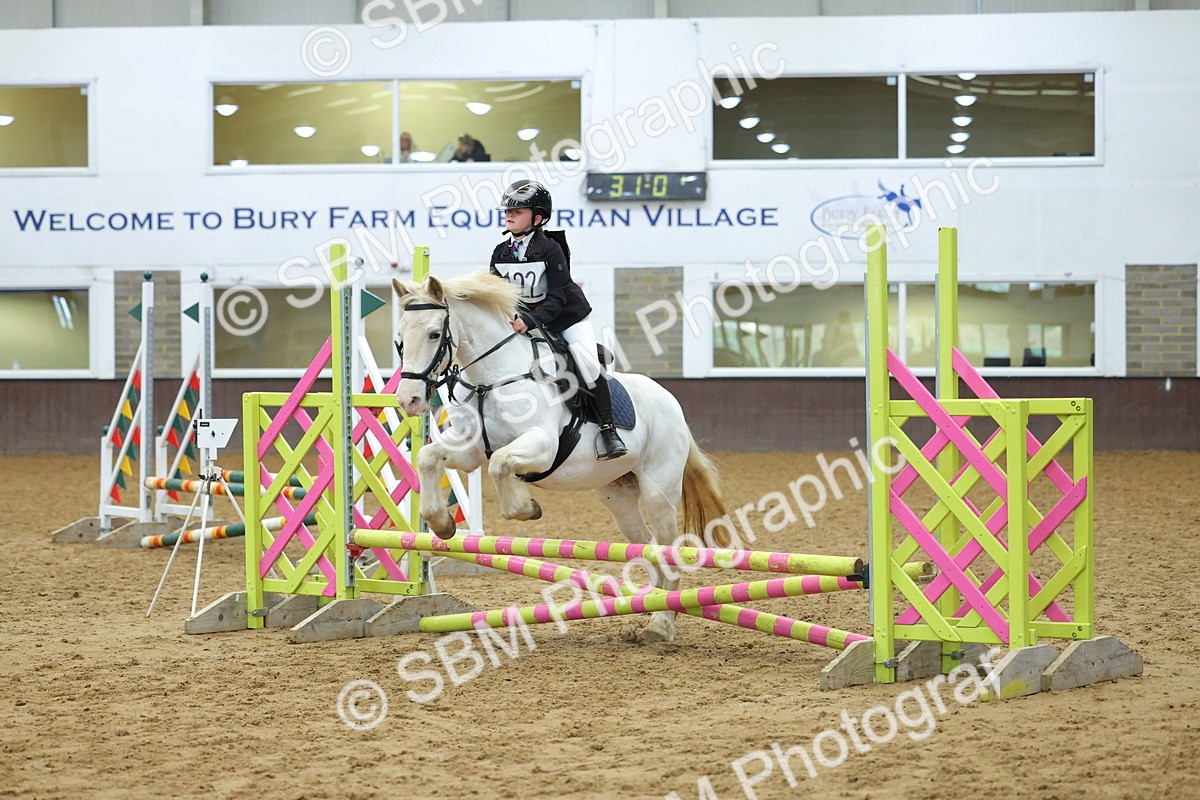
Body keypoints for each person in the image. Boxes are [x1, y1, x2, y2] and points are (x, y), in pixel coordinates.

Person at [489, 180, 627, 460]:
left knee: (587, 363)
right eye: (508, 211)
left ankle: (608, 430)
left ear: (537, 218)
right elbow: (496, 295)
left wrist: (529, 319)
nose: (509, 215)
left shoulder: (551, 249)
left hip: (566, 319)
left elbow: (558, 297)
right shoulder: (500, 252)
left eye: (519, 211)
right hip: (526, 322)